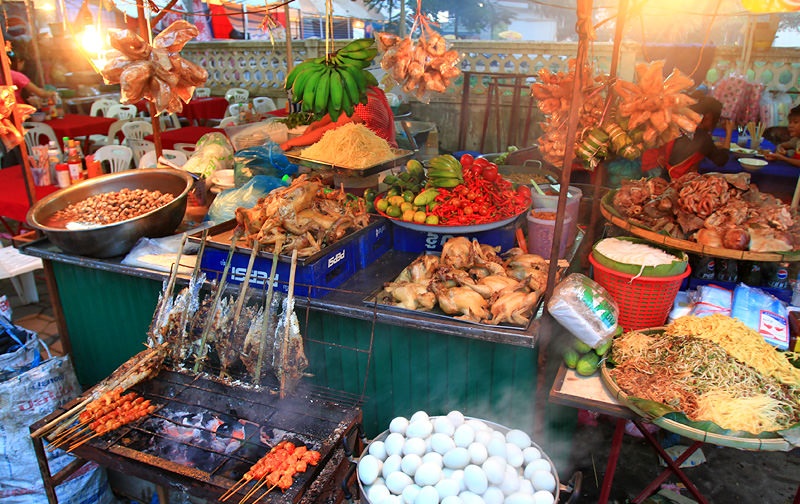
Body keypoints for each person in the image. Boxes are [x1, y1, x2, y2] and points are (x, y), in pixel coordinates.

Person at [641, 94, 734, 180]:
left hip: (659, 171)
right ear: (708, 117)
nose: (715, 124)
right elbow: (722, 160)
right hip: (671, 177)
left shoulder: (683, 125)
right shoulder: (703, 138)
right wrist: (729, 133)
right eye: (716, 120)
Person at [279, 86, 397, 152]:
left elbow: (329, 129)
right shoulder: (371, 90)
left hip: (380, 158)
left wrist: (290, 143)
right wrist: (315, 124)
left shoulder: (365, 104)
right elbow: (340, 113)